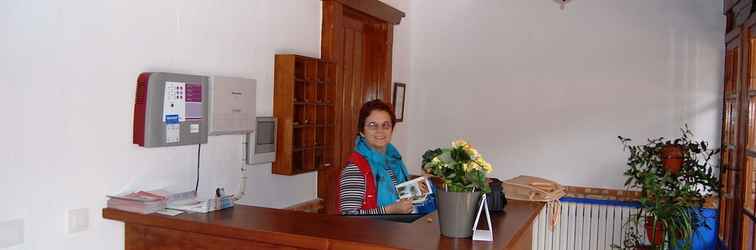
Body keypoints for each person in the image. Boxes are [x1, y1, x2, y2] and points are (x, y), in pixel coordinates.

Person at [337, 99, 428, 214]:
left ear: (391, 130)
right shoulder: (355, 169)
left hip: (397, 229)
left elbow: (393, 194)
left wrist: (413, 189)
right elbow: (348, 216)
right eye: (372, 125)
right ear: (362, 131)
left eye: (385, 125)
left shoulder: (393, 161)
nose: (380, 131)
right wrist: (390, 210)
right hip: (372, 232)